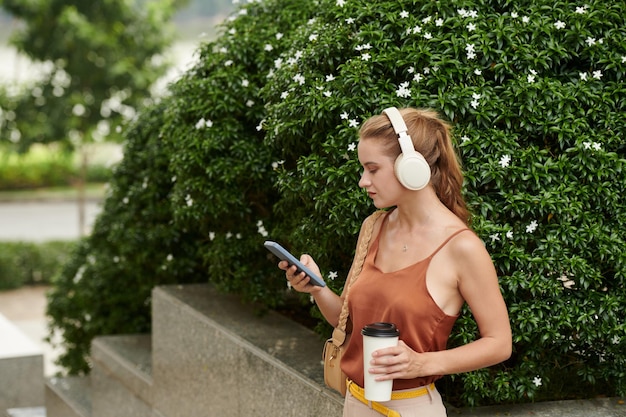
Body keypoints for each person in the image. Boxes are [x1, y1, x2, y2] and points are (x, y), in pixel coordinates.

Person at [278, 107, 511, 417]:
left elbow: (499, 342)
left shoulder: (462, 248)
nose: (363, 181)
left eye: (372, 169)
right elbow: (345, 325)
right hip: (355, 403)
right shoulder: (373, 227)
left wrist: (421, 363)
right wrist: (316, 288)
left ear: (410, 168)